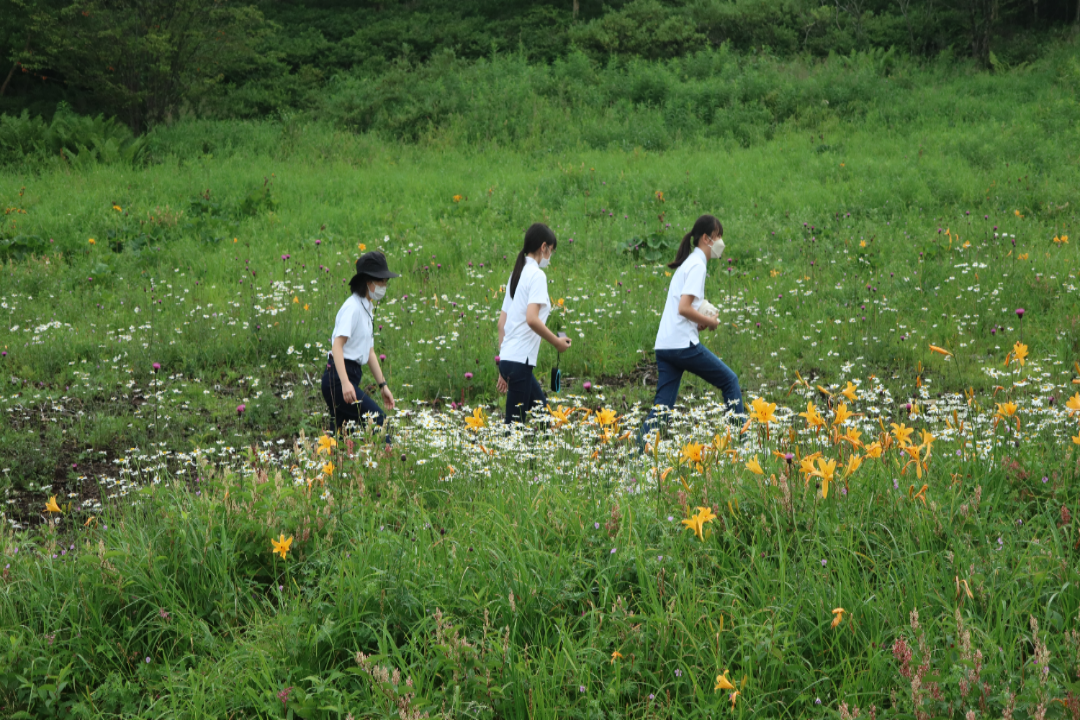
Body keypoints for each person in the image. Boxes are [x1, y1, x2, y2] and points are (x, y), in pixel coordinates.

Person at [639, 214, 744, 447]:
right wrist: (714, 323)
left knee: (663, 408)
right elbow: (684, 307)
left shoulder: (689, 264)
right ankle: (742, 441)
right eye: (718, 237)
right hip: (681, 346)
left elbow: (684, 312)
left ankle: (636, 451)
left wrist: (700, 323)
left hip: (665, 345)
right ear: (706, 239)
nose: (720, 242)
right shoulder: (697, 265)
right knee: (730, 381)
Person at [496, 223, 572, 424]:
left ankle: (547, 453)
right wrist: (557, 342)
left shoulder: (517, 274)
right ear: (544, 247)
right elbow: (531, 318)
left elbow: (501, 324)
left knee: (543, 417)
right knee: (513, 429)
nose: (550, 257)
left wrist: (502, 367)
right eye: (551, 251)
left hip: (510, 360)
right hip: (519, 362)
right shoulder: (537, 275)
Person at [322, 251, 398, 440]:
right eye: (380, 281)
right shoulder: (352, 308)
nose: (383, 286)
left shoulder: (367, 308)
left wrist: (383, 385)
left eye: (385, 282)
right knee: (378, 420)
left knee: (340, 438)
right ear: (367, 281)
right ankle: (388, 461)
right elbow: (337, 346)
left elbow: (369, 351)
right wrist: (346, 383)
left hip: (350, 376)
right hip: (339, 379)